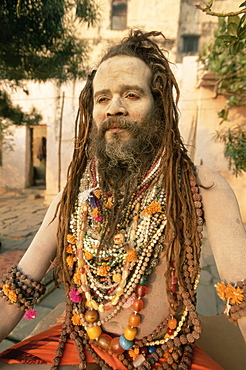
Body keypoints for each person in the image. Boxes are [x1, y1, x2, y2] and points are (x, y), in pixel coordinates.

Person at [0, 30, 245, 370]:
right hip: (81, 347)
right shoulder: (74, 194)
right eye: (102, 99)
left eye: (131, 94)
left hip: (162, 357)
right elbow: (19, 289)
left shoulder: (201, 187)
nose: (114, 107)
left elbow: (242, 296)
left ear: (158, 104)